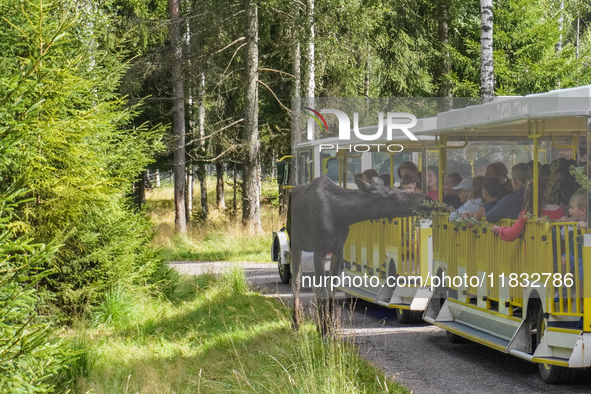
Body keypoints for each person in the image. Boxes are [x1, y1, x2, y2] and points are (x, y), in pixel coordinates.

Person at [491, 176, 565, 242]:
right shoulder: (558, 210)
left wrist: (499, 229)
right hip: (557, 253)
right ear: (545, 192)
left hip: (534, 253)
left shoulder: (527, 213)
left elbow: (513, 233)